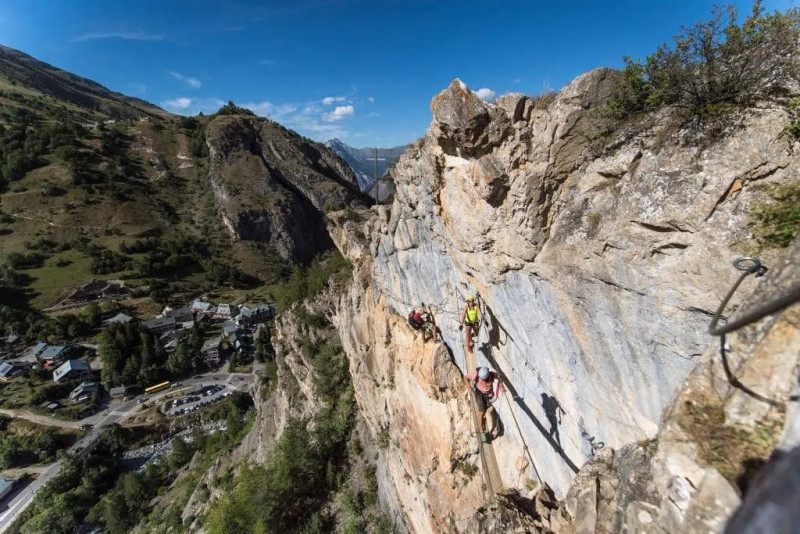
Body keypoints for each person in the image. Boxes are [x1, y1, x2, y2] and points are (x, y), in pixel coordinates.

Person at [464, 366, 499, 443]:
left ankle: (484, 422)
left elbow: (499, 377)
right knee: (481, 411)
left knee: (487, 410)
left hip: (488, 396)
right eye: (483, 380)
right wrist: (468, 386)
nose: (484, 381)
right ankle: (481, 431)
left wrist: (501, 385)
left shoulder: (492, 374)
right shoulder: (476, 374)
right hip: (479, 395)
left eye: (485, 379)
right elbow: (466, 377)